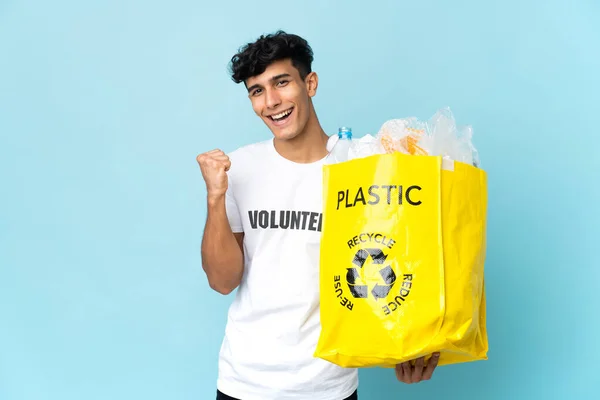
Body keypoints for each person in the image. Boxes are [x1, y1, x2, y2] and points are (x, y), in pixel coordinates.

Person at [196, 31, 439, 400]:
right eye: (257, 90)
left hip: (328, 385)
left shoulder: (364, 163)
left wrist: (415, 343)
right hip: (244, 381)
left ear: (310, 83)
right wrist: (216, 197)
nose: (271, 101)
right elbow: (222, 280)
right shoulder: (240, 167)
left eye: (281, 82)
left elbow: (410, 252)